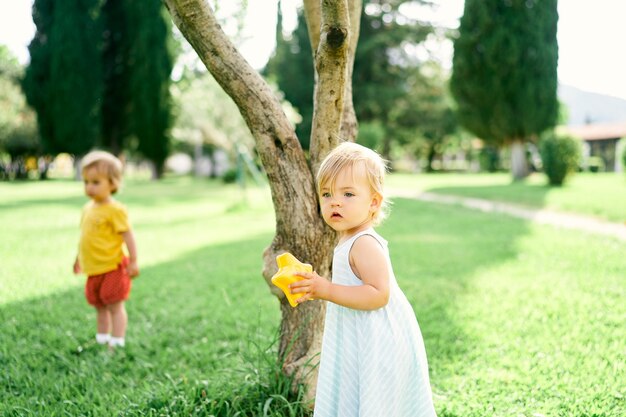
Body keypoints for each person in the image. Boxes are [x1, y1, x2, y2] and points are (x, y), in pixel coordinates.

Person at [289, 142, 437, 416]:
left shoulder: (364, 243)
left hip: (380, 341)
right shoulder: (348, 239)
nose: (335, 201)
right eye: (326, 193)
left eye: (348, 194)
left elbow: (379, 294)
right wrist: (316, 286)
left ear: (373, 202)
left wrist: (326, 289)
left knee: (378, 402)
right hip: (365, 335)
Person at [73, 150, 139, 350]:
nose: (89, 187)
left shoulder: (115, 210)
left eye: (95, 182)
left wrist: (134, 260)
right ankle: (102, 338)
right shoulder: (88, 208)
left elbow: (128, 235)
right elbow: (86, 238)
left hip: (112, 267)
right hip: (93, 268)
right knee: (99, 305)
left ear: (113, 183)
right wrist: (78, 259)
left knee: (115, 305)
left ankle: (117, 342)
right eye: (86, 182)